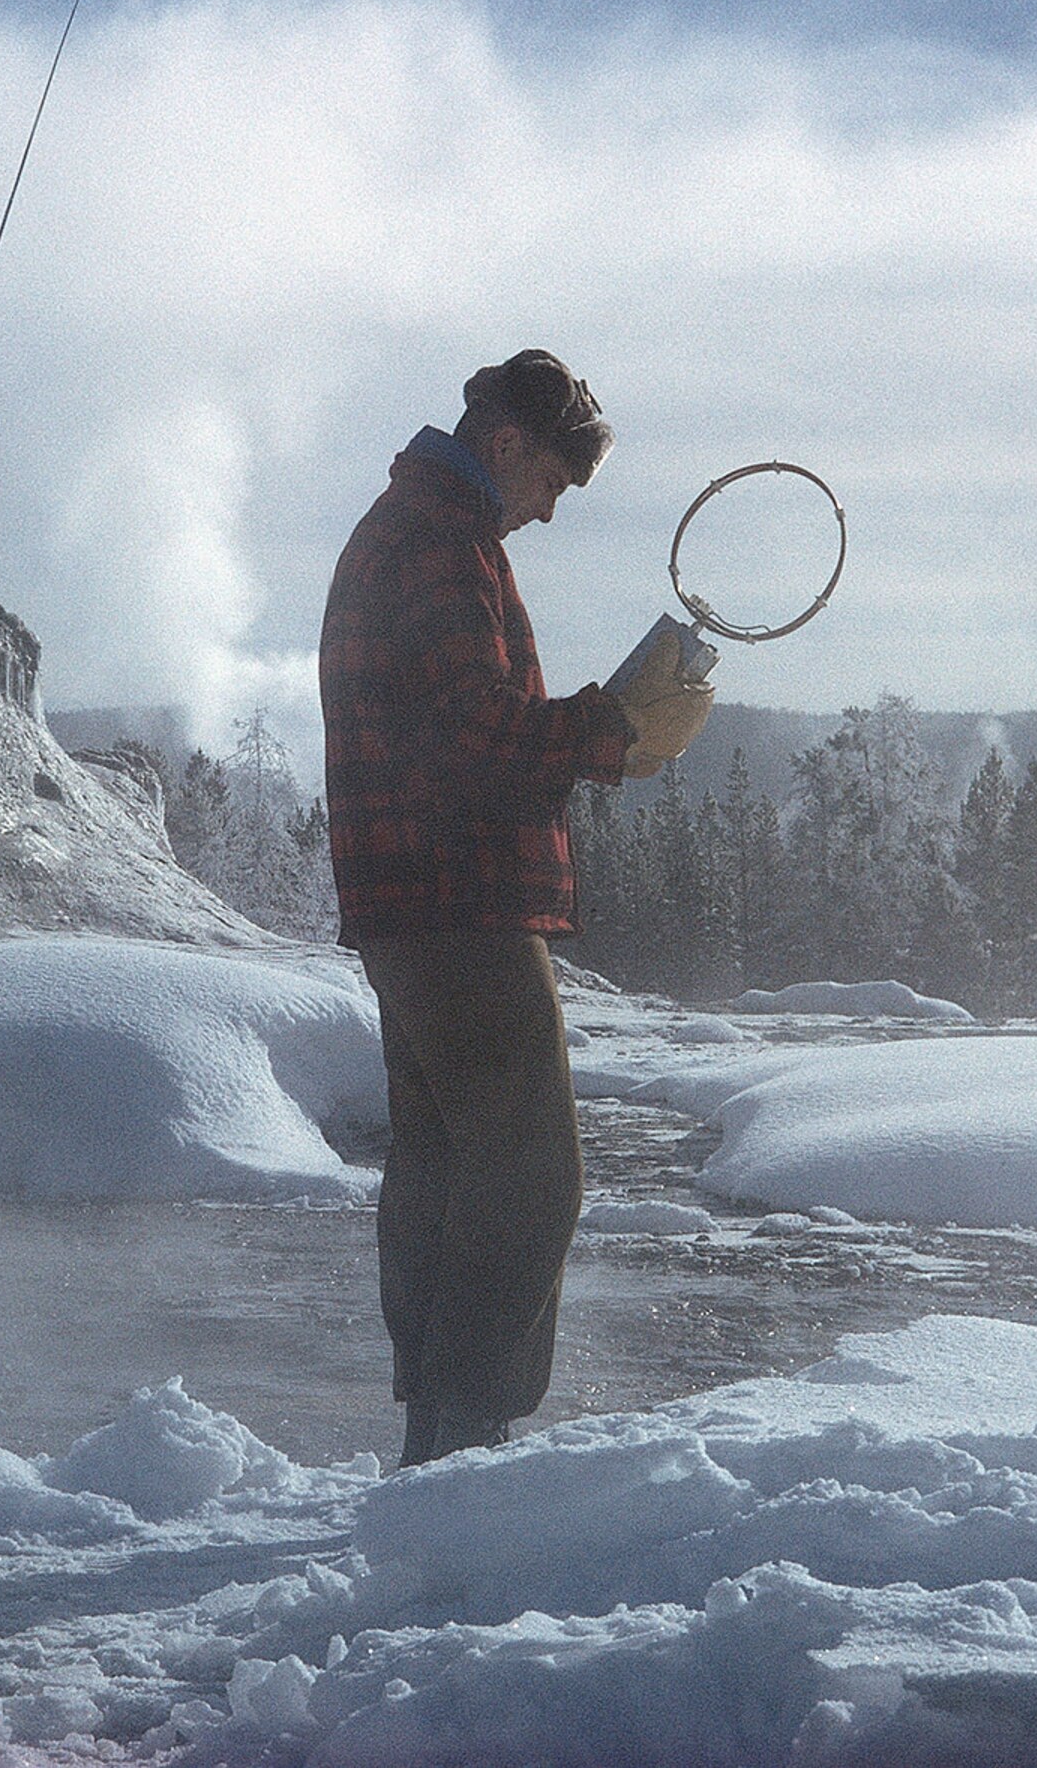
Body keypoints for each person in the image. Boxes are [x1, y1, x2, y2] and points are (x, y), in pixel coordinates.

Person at [319, 349, 707, 1468]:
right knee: (531, 1170)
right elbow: (471, 733)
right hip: (458, 900)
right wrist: (613, 731)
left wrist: (602, 729)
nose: (547, 509)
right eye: (551, 481)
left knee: (443, 1162)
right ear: (505, 444)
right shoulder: (443, 544)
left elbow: (453, 723)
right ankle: (468, 1434)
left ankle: (439, 1433)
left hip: (410, 899)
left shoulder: (412, 528)